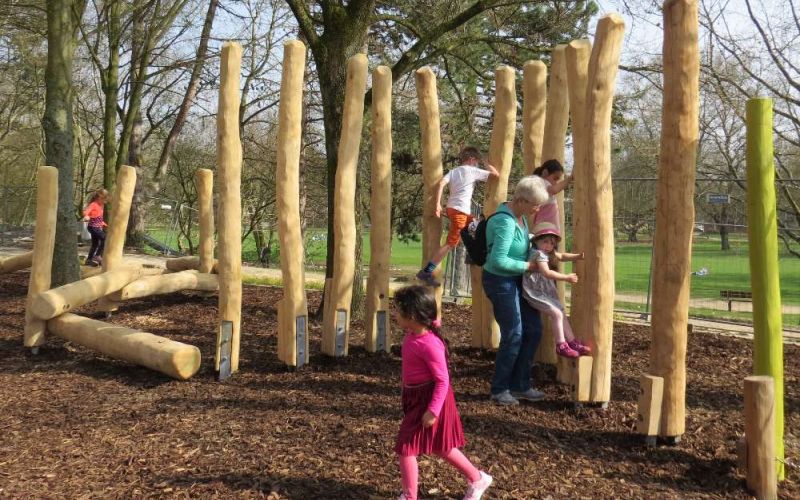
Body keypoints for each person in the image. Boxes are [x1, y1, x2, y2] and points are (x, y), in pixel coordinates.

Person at [393, 285, 493, 500]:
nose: (395, 314)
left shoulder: (429, 344)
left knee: (406, 447)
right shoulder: (413, 333)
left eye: (398, 310)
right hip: (417, 398)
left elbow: (442, 380)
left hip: (431, 400)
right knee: (441, 446)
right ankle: (478, 479)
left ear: (411, 315)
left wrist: (433, 410)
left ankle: (409, 497)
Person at [482, 175, 550, 406]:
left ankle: (520, 385)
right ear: (521, 200)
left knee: (533, 329)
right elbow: (498, 260)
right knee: (514, 334)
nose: (537, 209)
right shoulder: (505, 221)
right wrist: (529, 266)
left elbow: (519, 246)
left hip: (517, 280)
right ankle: (499, 389)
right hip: (500, 282)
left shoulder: (520, 218)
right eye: (535, 205)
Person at [416, 146, 499, 287]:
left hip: (454, 209)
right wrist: (487, 163)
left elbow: (441, 184)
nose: (477, 164)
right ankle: (426, 272)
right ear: (472, 160)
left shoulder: (454, 171)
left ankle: (477, 253)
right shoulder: (472, 170)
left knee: (480, 225)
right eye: (477, 161)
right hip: (460, 211)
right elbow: (496, 175)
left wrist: (438, 204)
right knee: (450, 244)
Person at [523, 221, 591, 358]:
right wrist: (566, 277)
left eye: (552, 243)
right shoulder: (538, 254)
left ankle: (572, 342)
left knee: (561, 313)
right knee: (557, 314)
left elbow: (562, 256)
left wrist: (577, 256)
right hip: (534, 292)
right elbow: (547, 273)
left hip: (544, 291)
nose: (549, 246)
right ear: (536, 240)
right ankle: (561, 345)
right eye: (545, 242)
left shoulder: (546, 252)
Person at [532, 159, 572, 230]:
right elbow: (555, 190)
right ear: (545, 173)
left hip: (547, 227)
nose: (556, 183)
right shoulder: (542, 182)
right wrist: (570, 178)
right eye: (555, 178)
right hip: (544, 228)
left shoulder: (544, 185)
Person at [82, 188, 108, 267]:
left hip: (97, 227)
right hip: (93, 227)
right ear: (99, 198)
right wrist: (86, 216)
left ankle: (89, 260)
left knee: (95, 244)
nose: (104, 201)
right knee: (105, 238)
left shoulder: (101, 205)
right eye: (104, 199)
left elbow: (98, 216)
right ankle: (97, 256)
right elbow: (85, 212)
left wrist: (102, 223)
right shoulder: (93, 204)